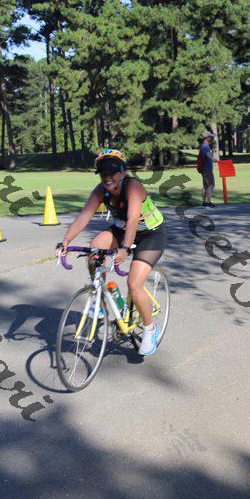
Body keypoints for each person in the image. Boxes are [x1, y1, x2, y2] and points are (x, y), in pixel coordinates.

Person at [57, 149, 166, 356]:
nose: (107, 177)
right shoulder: (101, 190)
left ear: (122, 172)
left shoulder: (133, 187)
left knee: (134, 284)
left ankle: (150, 329)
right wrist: (66, 240)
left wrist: (124, 248)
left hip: (150, 234)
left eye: (112, 172)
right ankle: (99, 298)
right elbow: (84, 216)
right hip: (122, 230)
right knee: (95, 249)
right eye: (102, 173)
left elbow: (133, 220)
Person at [200, 130, 218, 207]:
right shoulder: (205, 146)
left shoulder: (202, 146)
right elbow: (208, 155)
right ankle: (209, 202)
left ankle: (204, 202)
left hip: (204, 170)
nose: (211, 138)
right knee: (211, 185)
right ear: (206, 137)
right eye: (210, 136)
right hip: (207, 170)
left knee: (205, 186)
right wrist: (214, 159)